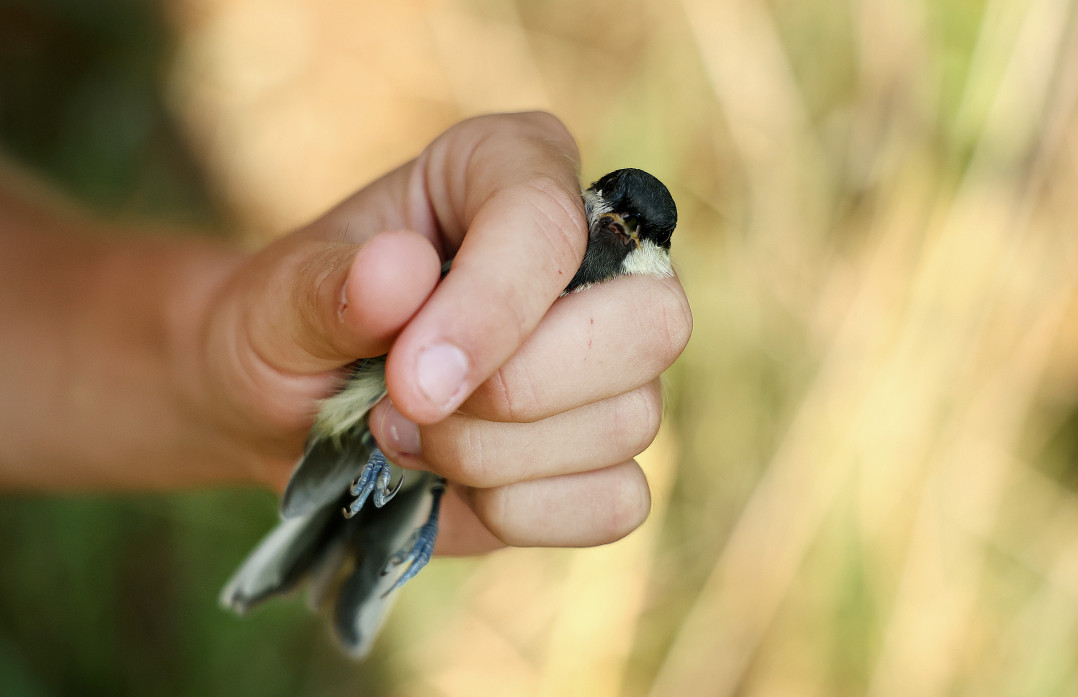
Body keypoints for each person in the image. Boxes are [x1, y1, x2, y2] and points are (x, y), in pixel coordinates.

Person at [0, 111, 693, 558]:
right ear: (592, 198)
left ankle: (402, 520)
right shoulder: (539, 242)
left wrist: (203, 371)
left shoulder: (619, 303)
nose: (619, 231)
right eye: (612, 209)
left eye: (637, 236)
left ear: (651, 260)